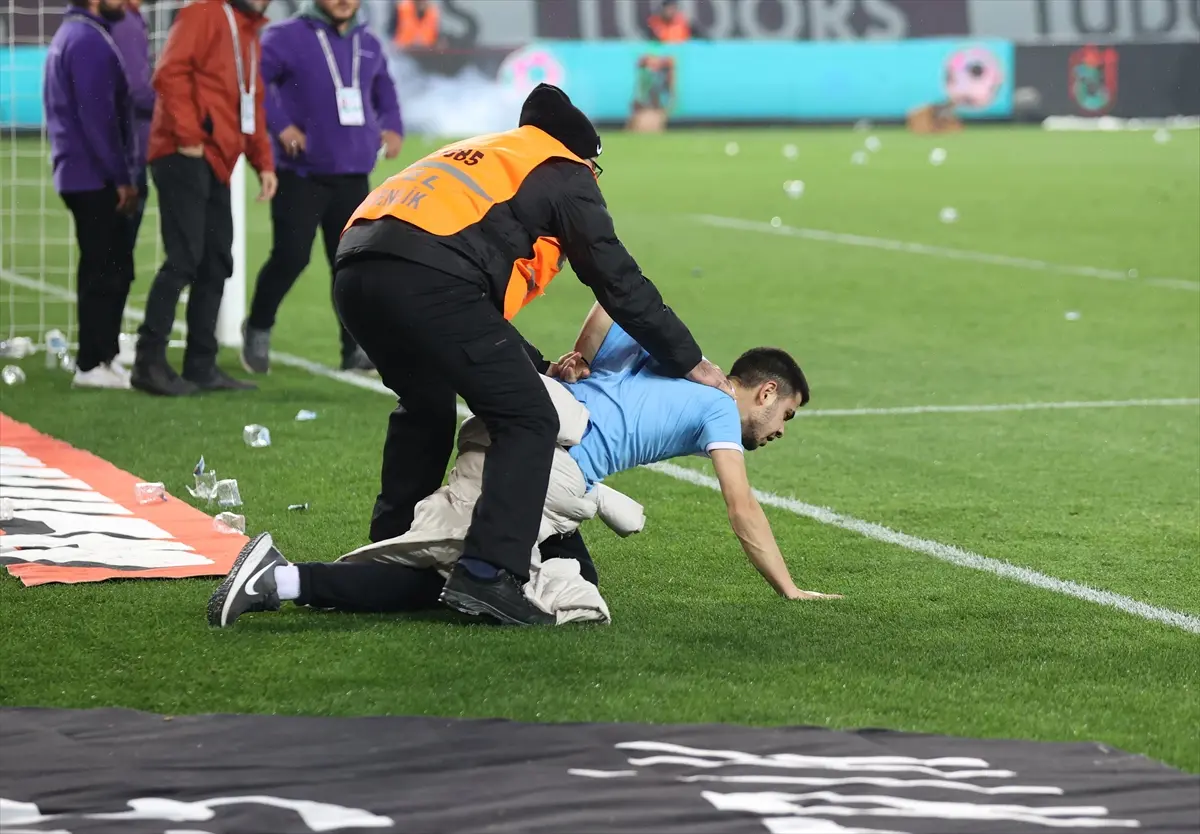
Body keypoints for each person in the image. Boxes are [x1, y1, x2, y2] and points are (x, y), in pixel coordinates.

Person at [331, 83, 730, 626]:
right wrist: (690, 359)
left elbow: (471, 310)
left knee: (424, 404)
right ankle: (490, 573)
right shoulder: (563, 169)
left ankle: (398, 545)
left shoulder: (490, 153)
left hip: (357, 270)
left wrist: (538, 363)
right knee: (530, 417)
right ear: (585, 156)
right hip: (427, 279)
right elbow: (616, 278)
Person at [207, 303, 842, 629]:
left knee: (578, 586)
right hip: (538, 466)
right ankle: (282, 581)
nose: (779, 431)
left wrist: (580, 358)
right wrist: (788, 587)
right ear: (764, 392)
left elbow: (612, 307)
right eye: (785, 415)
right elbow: (742, 508)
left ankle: (474, 571)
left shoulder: (680, 361)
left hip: (529, 433)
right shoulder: (720, 411)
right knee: (457, 582)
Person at [242, 0, 404, 375]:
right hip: (301, 173)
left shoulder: (367, 40)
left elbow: (385, 88)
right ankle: (258, 326)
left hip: (353, 173)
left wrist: (393, 126)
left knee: (349, 267)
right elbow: (256, 84)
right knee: (291, 257)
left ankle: (354, 348)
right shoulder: (285, 37)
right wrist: (280, 126)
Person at [133, 0, 278, 397]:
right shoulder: (204, 12)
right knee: (184, 258)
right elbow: (169, 72)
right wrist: (189, 136)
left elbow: (251, 102)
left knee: (215, 261)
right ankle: (148, 362)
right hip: (183, 153)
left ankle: (200, 365)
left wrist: (263, 162)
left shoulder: (248, 32)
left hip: (215, 159)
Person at [43, 0, 138, 390]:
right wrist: (122, 178)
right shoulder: (87, 40)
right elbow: (98, 119)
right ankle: (91, 362)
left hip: (78, 173)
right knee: (105, 270)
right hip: (93, 177)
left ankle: (104, 355)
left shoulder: (73, 34)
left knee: (109, 267)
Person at [109, 0, 155, 256]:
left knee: (113, 254)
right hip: (129, 149)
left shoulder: (127, 17)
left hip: (125, 146)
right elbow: (137, 90)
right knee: (118, 256)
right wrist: (173, 106)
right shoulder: (126, 21)